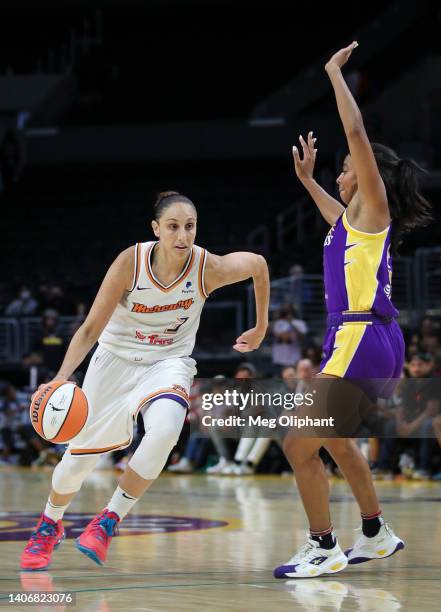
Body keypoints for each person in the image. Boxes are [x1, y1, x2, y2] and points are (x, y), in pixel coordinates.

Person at [20, 190, 269, 571]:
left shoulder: (206, 267)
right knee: (76, 464)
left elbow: (258, 264)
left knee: (167, 428)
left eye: (190, 226)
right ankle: (49, 525)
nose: (183, 236)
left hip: (167, 361)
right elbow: (89, 329)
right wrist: (60, 378)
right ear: (156, 229)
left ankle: (108, 521)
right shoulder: (130, 262)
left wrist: (261, 325)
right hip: (114, 361)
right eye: (173, 227)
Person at [274, 42, 432, 579]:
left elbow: (358, 133)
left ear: (364, 178)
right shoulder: (352, 224)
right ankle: (375, 531)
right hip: (374, 339)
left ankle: (322, 545)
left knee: (298, 444)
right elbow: (333, 216)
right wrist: (307, 182)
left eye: (344, 170)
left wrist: (333, 74)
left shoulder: (374, 203)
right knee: (336, 441)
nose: (342, 176)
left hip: (361, 337)